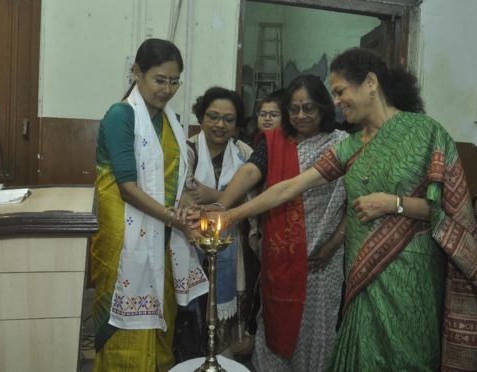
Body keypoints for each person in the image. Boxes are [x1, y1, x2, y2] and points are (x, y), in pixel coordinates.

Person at [208, 48, 477, 371]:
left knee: (407, 355)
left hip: (410, 274)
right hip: (362, 273)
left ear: (370, 83)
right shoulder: (351, 144)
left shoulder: (426, 133)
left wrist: (393, 203)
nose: (336, 101)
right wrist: (230, 214)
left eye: (340, 91)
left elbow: (447, 209)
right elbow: (291, 186)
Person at [206, 74, 348, 371]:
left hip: (323, 259)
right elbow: (249, 172)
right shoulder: (275, 141)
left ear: (323, 107)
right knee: (274, 325)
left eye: (308, 108)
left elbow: (355, 202)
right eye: (293, 109)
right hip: (280, 257)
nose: (300, 116)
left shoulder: (343, 145)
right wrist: (221, 205)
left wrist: (334, 243)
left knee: (315, 333)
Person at [90, 38, 208, 372]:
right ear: (137, 72)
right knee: (121, 322)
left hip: (165, 237)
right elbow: (127, 188)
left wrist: (184, 207)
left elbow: (177, 179)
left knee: (160, 317)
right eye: (160, 79)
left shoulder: (171, 121)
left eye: (174, 81)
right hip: (124, 238)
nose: (168, 89)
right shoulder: (121, 116)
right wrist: (175, 219)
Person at [179, 86, 255, 356]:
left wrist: (213, 196)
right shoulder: (186, 150)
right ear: (201, 117)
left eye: (228, 119)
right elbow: (184, 198)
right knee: (192, 312)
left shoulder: (245, 153)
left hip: (233, 247)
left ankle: (221, 356)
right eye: (213, 116)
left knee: (227, 309)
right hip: (190, 245)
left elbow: (254, 201)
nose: (220, 124)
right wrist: (230, 198)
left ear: (237, 124)